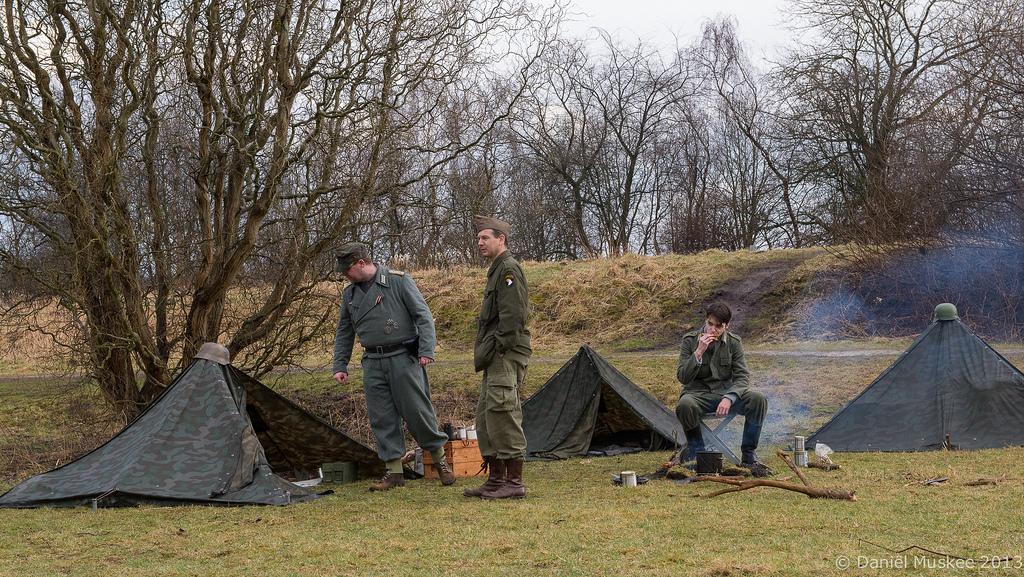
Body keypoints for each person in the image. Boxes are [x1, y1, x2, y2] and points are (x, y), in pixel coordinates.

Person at [332, 242, 455, 491]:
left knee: (418, 412)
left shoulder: (398, 280)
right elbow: (344, 331)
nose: (344, 274)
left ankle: (441, 462)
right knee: (381, 417)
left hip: (403, 358)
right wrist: (340, 364)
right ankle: (394, 471)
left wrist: (426, 350)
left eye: (347, 269)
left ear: (361, 264)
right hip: (373, 362)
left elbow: (423, 315)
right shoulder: (350, 294)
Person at [463, 216, 531, 499]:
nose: (479, 243)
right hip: (495, 354)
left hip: (505, 352)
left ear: (501, 239)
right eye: (478, 238)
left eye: (485, 238)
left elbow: (514, 315)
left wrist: (502, 347)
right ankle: (495, 480)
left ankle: (514, 484)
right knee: (487, 415)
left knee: (504, 413)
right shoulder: (497, 269)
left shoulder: (508, 269)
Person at [675, 302, 768, 468]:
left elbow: (742, 376)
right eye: (710, 324)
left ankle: (749, 453)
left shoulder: (734, 343)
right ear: (705, 321)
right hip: (698, 395)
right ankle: (698, 453)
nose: (713, 330)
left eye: (719, 326)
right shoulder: (689, 341)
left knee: (758, 399)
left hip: (726, 395)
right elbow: (683, 377)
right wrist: (698, 352)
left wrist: (730, 397)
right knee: (684, 405)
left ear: (727, 325)